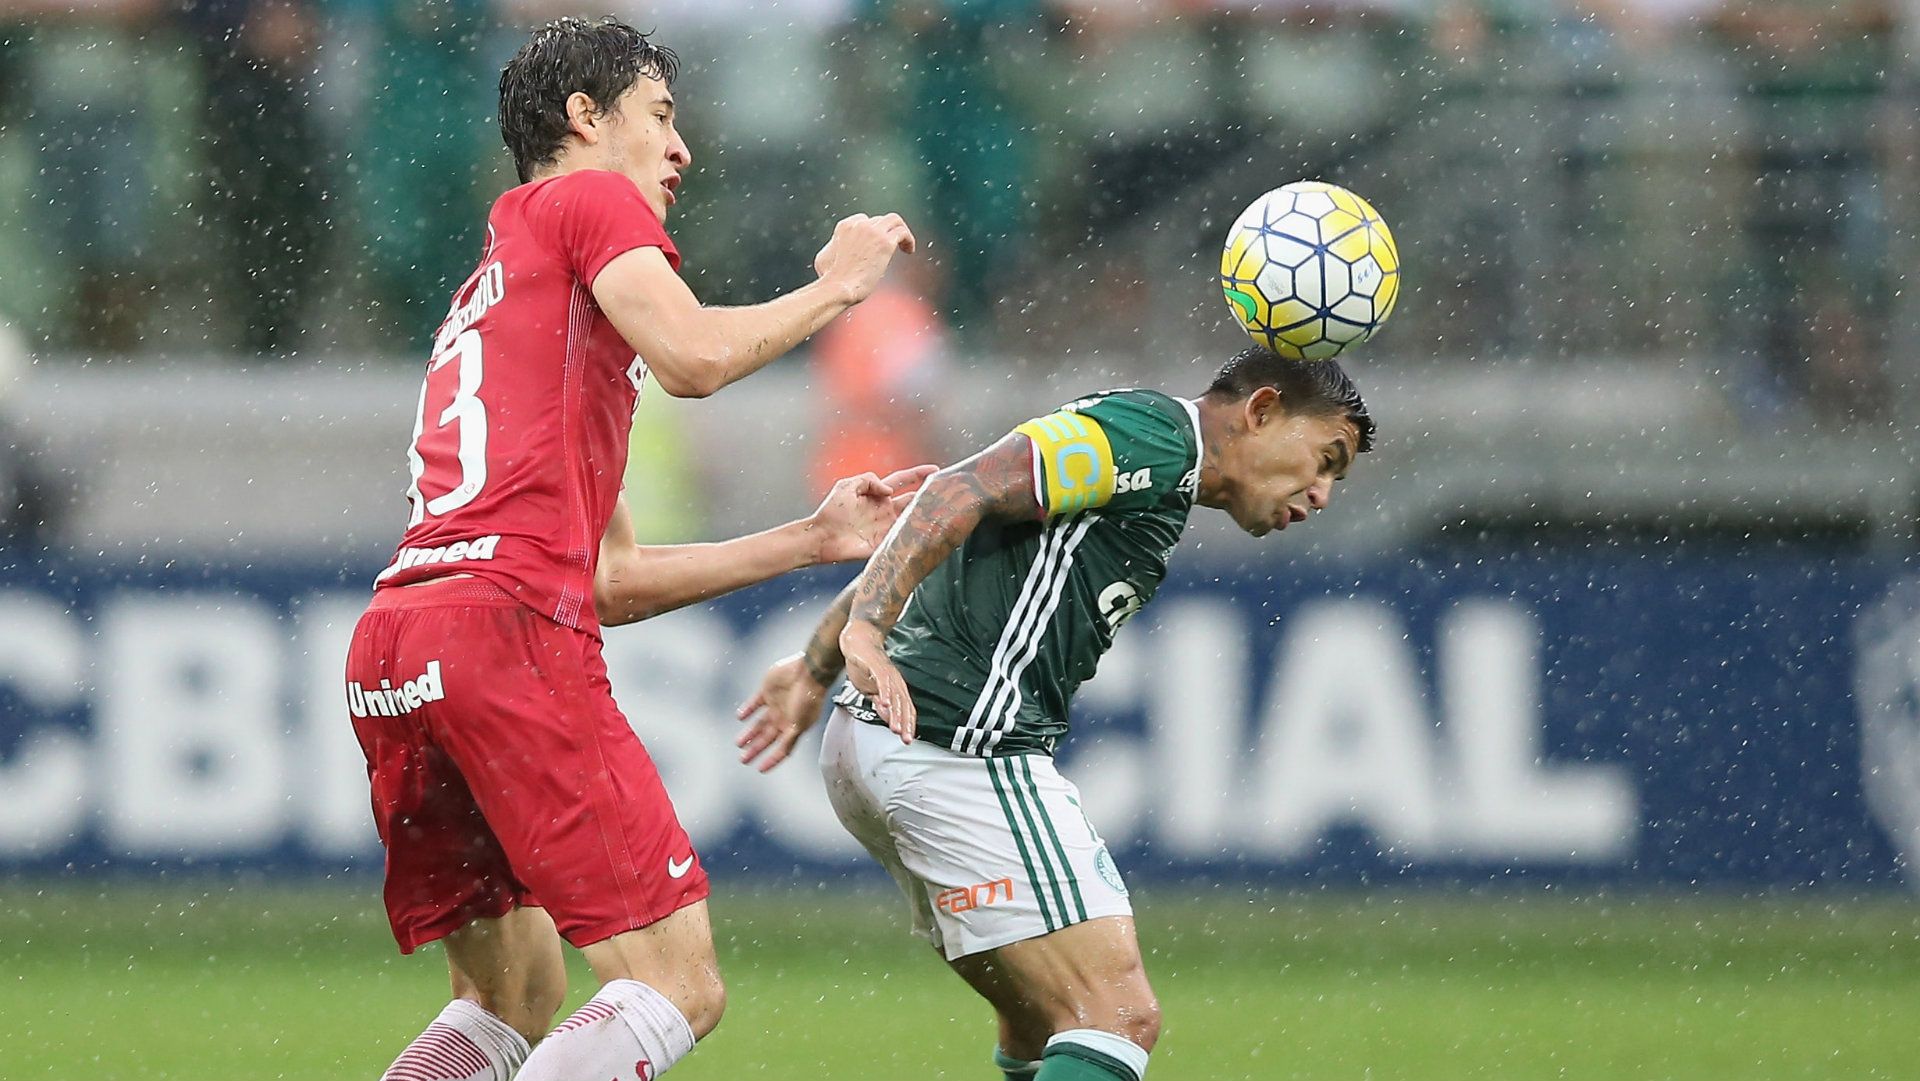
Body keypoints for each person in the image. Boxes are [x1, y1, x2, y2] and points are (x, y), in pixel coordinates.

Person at [345, 16, 919, 1081]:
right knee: (675, 984)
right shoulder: (587, 199)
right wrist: (840, 286)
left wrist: (811, 538)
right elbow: (696, 356)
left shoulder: (504, 278)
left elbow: (608, 580)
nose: (681, 148)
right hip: (502, 628)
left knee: (510, 994)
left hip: (402, 643)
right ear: (584, 119)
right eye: (660, 115)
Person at [738, 349, 1375, 1081]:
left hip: (885, 740)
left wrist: (816, 666)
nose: (1322, 492)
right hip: (958, 750)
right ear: (1260, 411)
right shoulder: (1157, 437)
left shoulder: (1155, 472)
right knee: (1118, 1014)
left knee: (1043, 1020)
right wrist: (863, 630)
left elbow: (960, 527)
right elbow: (957, 489)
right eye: (1325, 458)